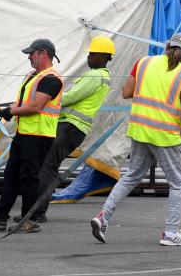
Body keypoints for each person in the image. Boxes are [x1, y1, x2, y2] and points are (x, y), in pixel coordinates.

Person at [90, 32, 181, 246]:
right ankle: (170, 232)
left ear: (167, 46)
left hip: (139, 130)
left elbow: (126, 92)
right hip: (165, 135)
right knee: (178, 182)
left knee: (131, 176)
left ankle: (103, 217)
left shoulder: (143, 63)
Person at [19, 36, 115, 226]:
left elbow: (70, 97)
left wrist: (45, 98)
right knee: (48, 165)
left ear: (103, 57)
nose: (88, 57)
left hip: (71, 126)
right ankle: (35, 210)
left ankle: (37, 212)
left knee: (47, 166)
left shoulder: (96, 76)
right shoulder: (99, 76)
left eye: (92, 54)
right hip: (72, 127)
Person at [0, 38, 63, 233]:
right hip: (25, 133)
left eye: (32, 53)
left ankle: (29, 219)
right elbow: (23, 103)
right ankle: (0, 216)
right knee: (12, 175)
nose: (30, 57)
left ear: (44, 54)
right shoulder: (34, 76)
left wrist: (9, 112)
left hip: (39, 136)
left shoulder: (51, 79)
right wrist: (3, 110)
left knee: (29, 178)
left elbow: (36, 107)